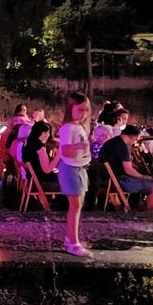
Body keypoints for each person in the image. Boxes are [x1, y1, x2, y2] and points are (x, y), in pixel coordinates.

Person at [58, 91, 93, 257]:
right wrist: (79, 147)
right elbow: (65, 150)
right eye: (80, 109)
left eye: (86, 110)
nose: (84, 113)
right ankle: (73, 242)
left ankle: (71, 237)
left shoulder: (78, 127)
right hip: (71, 168)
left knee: (78, 205)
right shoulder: (68, 128)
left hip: (79, 168)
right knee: (75, 205)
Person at [99, 124, 153, 210]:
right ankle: (150, 212)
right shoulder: (122, 146)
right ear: (133, 136)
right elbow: (128, 170)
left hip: (105, 179)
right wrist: (143, 176)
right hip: (118, 181)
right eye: (136, 139)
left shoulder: (111, 142)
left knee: (149, 182)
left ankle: (140, 207)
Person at [21, 120, 60, 192]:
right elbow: (47, 170)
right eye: (48, 133)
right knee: (72, 184)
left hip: (32, 182)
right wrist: (59, 154)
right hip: (42, 184)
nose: (49, 135)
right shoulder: (40, 148)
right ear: (43, 133)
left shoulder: (26, 145)